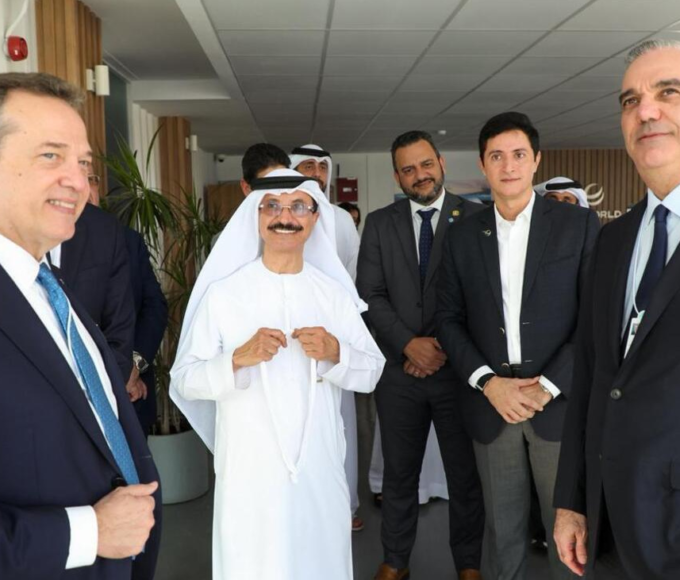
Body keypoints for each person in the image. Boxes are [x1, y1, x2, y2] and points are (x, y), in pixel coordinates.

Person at [170, 169, 385, 580]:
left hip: (319, 468)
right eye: (273, 206)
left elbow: (372, 371)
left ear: (315, 218)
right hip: (249, 473)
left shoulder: (334, 294)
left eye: (298, 207)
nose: (285, 217)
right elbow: (184, 380)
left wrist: (336, 352)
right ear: (256, 215)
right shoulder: (224, 294)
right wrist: (236, 359)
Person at [0, 72, 160, 579]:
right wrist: (86, 533)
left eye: (84, 163)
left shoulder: (51, 287)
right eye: (51, 155)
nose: (79, 181)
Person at [437, 112, 599, 580]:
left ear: (536, 161)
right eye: (497, 156)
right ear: (483, 165)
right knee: (502, 536)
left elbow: (594, 318)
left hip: (558, 405)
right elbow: (448, 320)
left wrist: (548, 385)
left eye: (518, 155)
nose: (508, 166)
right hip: (493, 407)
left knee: (568, 538)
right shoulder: (462, 235)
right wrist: (489, 383)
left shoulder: (577, 225)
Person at [553, 39, 680, 580]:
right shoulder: (613, 239)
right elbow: (593, 376)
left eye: (668, 92)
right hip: (608, 527)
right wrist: (572, 500)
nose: (645, 111)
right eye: (631, 100)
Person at [357, 130, 485, 580]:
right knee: (399, 475)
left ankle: (468, 564)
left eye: (426, 164)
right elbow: (369, 295)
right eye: (408, 169)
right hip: (400, 374)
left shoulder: (476, 218)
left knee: (465, 477)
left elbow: (484, 296)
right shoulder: (379, 223)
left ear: (441, 163)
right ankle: (395, 561)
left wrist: (443, 348)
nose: (420, 175)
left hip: (459, 374)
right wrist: (408, 345)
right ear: (397, 176)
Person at [290, 142, 364, 531]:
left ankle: (345, 507)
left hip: (334, 339)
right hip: (285, 337)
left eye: (322, 166)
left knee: (340, 425)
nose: (317, 172)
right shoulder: (281, 212)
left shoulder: (340, 219)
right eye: (308, 165)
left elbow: (352, 275)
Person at [88, 174, 168, 434]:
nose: (86, 189)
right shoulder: (45, 246)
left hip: (132, 399)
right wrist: (116, 374)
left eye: (92, 180)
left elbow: (154, 307)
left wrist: (132, 366)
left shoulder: (128, 240)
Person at [49, 185, 136, 382]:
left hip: (92, 389)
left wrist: (100, 391)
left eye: (83, 168)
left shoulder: (103, 229)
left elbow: (120, 333)